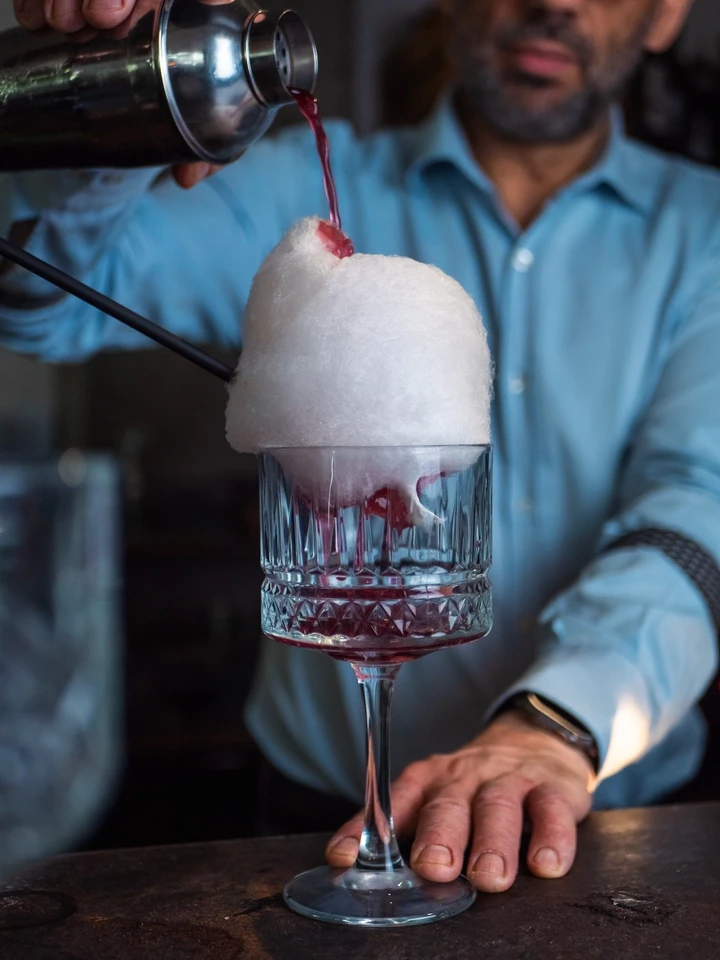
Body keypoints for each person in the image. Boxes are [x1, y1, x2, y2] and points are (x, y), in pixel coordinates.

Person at [3, 0, 718, 894]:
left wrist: (557, 719)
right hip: (311, 831)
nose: (556, 4)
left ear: (665, 18)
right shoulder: (293, 184)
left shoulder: (706, 234)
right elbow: (40, 302)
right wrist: (115, 103)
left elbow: (700, 502)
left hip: (610, 825)